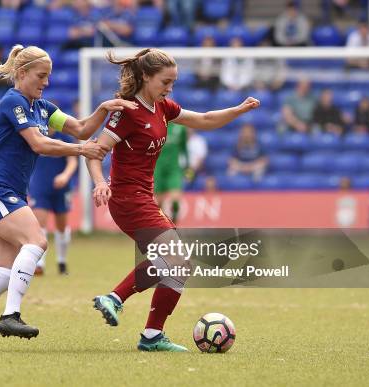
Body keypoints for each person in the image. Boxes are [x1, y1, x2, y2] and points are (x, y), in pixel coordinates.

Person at [0, 45, 137, 349]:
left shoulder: (43, 108)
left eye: (48, 76)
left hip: (9, 194)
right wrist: (80, 149)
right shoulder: (13, 102)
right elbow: (38, 143)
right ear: (21, 74)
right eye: (41, 76)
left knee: (3, 276)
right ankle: (11, 314)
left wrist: (104, 108)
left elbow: (81, 127)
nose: (46, 82)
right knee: (36, 241)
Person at [87, 48, 259, 352]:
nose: (169, 88)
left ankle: (152, 335)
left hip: (144, 198)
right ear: (145, 77)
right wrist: (101, 182)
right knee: (176, 260)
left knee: (177, 264)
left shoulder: (162, 107)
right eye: (165, 82)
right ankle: (115, 300)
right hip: (127, 200)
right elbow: (94, 151)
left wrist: (238, 110)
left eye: (173, 83)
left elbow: (204, 119)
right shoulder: (125, 112)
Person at [28, 131, 77, 275]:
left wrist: (65, 175)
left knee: (61, 226)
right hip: (39, 185)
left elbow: (72, 160)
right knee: (39, 224)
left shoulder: (64, 136)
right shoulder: (34, 134)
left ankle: (62, 261)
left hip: (61, 187)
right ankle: (40, 264)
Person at [154, 122, 188, 223]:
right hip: (158, 169)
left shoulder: (181, 128)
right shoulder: (156, 125)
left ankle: (174, 223)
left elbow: (184, 149)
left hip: (174, 169)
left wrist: (188, 167)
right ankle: (161, 228)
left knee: (175, 200)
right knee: (158, 203)